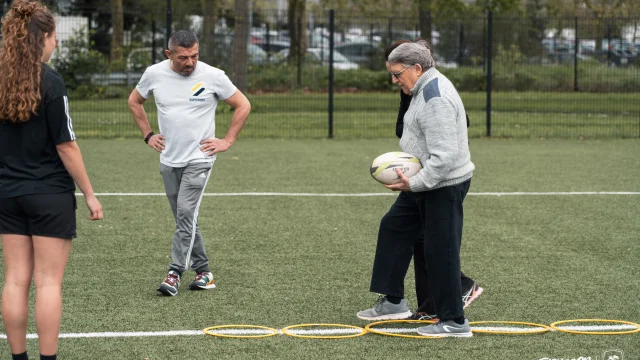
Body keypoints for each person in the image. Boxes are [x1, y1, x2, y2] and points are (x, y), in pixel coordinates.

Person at [0, 1, 104, 359]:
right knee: (48, 283)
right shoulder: (51, 81)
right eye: (54, 36)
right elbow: (67, 146)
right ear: (40, 37)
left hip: (7, 194)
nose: (56, 43)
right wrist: (90, 194)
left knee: (15, 279)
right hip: (49, 195)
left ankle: (17, 358)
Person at [357, 40, 475, 337]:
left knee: (440, 250)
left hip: (441, 185)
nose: (394, 80)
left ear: (417, 68)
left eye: (397, 74)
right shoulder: (422, 87)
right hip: (423, 183)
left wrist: (416, 182)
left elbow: (445, 155)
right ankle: (394, 302)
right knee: (394, 227)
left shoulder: (434, 97)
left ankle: (454, 322)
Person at [128, 30, 251, 296]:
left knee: (185, 213)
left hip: (200, 158)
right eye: (183, 57)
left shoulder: (214, 76)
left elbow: (243, 105)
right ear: (168, 54)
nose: (190, 62)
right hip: (169, 159)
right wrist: (148, 135)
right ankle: (204, 273)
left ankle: (174, 273)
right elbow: (134, 101)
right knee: (186, 219)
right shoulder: (154, 74)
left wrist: (227, 141)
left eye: (194, 55)